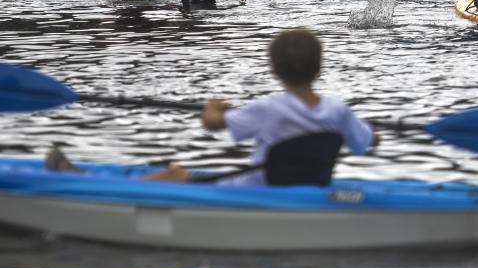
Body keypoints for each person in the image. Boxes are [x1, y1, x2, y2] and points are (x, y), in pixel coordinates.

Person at [46, 28, 378, 186]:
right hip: (307, 187)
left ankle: (86, 183)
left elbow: (212, 124)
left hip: (257, 189)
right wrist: (368, 132)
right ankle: (85, 177)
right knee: (184, 174)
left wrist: (213, 105)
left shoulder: (268, 107)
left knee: (175, 173)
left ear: (274, 70)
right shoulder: (338, 111)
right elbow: (367, 142)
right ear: (319, 69)